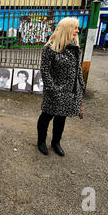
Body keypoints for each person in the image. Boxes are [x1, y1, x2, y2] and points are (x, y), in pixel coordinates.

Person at [37, 17, 85, 156]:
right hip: (55, 90)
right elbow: (45, 71)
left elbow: (78, 69)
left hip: (70, 90)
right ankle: (41, 142)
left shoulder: (75, 47)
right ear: (67, 28)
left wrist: (81, 85)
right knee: (47, 115)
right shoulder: (50, 48)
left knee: (61, 117)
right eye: (75, 27)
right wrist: (53, 90)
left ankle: (56, 142)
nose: (77, 30)